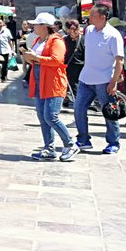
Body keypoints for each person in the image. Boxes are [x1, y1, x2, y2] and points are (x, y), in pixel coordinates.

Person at [22, 13, 79, 161]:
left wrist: (36, 58)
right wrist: (29, 57)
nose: (34, 27)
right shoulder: (38, 40)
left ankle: (70, 144)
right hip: (40, 82)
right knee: (43, 117)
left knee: (51, 116)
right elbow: (36, 59)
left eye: (36, 24)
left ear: (44, 26)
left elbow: (56, 60)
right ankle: (49, 148)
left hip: (53, 82)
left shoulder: (56, 41)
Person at [73, 4, 123, 154]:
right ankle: (83, 139)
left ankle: (113, 142)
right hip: (86, 78)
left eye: (93, 15)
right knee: (78, 108)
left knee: (109, 112)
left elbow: (119, 61)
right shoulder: (89, 30)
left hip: (104, 80)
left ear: (103, 17)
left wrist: (113, 82)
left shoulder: (113, 35)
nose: (89, 18)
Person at [63, 19, 84, 107]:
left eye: (75, 29)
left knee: (79, 86)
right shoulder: (64, 40)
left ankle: (79, 103)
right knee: (72, 85)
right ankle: (75, 102)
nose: (73, 32)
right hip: (69, 66)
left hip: (82, 66)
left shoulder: (84, 39)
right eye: (71, 30)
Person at [0, 18, 14, 82]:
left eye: (0, 23)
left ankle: (3, 78)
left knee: (5, 65)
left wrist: (12, 50)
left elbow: (10, 41)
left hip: (5, 50)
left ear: (3, 23)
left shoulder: (7, 31)